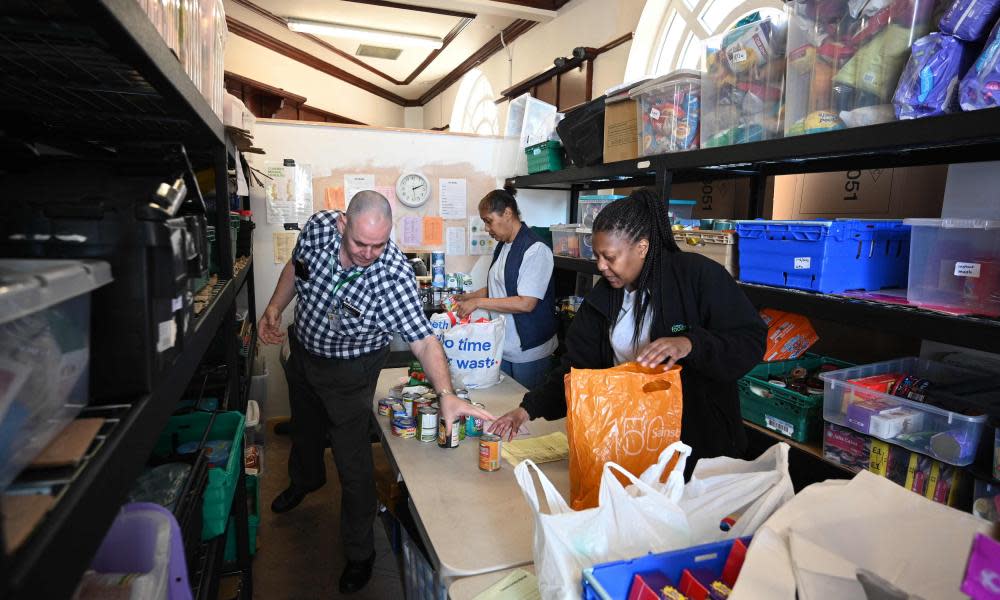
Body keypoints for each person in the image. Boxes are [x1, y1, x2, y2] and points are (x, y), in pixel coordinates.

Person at [257, 191, 493, 594]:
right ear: (342, 225)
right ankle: (305, 480)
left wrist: (446, 393)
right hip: (305, 353)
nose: (369, 254)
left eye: (379, 245)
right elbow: (296, 271)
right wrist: (275, 308)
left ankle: (360, 552)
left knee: (353, 462)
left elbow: (423, 340)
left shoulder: (393, 275)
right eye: (360, 244)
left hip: (352, 370)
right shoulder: (318, 228)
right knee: (306, 429)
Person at [488, 189, 766, 469]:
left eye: (609, 257)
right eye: (597, 256)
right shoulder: (604, 297)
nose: (601, 266)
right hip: (631, 437)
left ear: (642, 247)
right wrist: (527, 410)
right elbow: (576, 369)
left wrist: (690, 344)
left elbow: (749, 340)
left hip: (697, 446)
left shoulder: (697, 276)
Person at [454, 186, 557, 389]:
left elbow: (526, 303)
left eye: (488, 221)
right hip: (505, 346)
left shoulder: (535, 249)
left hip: (529, 351)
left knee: (527, 412)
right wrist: (468, 297)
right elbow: (499, 287)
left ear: (508, 213)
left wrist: (478, 302)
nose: (486, 228)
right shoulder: (504, 245)